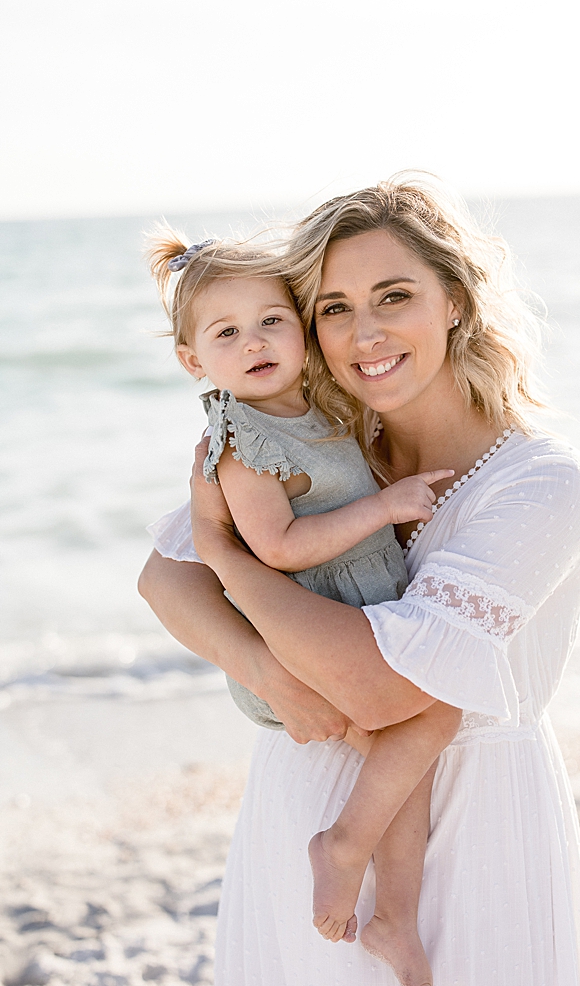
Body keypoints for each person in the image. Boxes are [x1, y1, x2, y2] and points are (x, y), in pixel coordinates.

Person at [138, 176, 580, 985]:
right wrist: (266, 673)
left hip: (478, 823)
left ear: (454, 301)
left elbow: (387, 692)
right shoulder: (318, 447)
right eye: (334, 307)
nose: (365, 332)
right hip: (303, 793)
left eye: (394, 295)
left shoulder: (541, 483)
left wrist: (228, 556)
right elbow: (160, 581)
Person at [144, 228, 466, 982]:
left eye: (271, 320)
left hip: (343, 618)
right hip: (309, 637)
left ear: (299, 327)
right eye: (227, 333)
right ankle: (347, 852)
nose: (254, 341)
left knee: (415, 747)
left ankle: (392, 915)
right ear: (195, 361)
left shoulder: (311, 410)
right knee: (430, 721)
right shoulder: (238, 439)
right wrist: (384, 507)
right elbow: (279, 544)